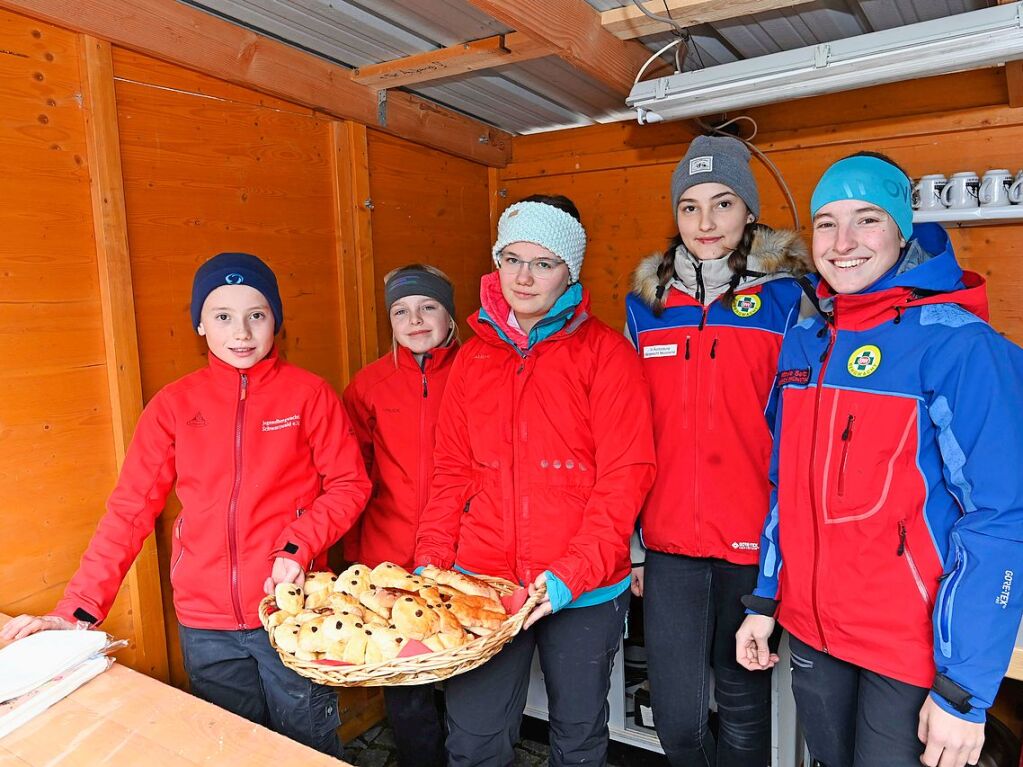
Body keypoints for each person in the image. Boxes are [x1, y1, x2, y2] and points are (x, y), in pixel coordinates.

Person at [0, 252, 371, 758]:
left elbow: (350, 483)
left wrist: (297, 545)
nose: (241, 332)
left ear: (276, 321)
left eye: (256, 315)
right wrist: (77, 613)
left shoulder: (309, 395)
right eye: (222, 316)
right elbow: (129, 511)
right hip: (205, 625)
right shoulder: (173, 407)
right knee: (229, 748)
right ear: (200, 322)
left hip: (289, 612)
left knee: (308, 747)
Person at [736, 153, 1023, 767]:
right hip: (814, 632)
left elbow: (1001, 518)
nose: (843, 244)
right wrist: (765, 600)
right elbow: (786, 486)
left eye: (866, 220)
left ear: (901, 230)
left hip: (909, 649)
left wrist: (963, 688)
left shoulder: (960, 345)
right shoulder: (808, 339)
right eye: (825, 223)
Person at [414, 194, 656, 767]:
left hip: (583, 588)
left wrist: (570, 574)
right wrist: (430, 560)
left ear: (569, 270)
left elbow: (626, 476)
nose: (523, 277)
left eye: (543, 263)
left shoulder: (607, 355)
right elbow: (451, 470)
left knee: (577, 736)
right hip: (484, 583)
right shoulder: (473, 359)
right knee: (472, 740)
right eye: (511, 259)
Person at [625, 135, 810, 766]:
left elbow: (800, 430)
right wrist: (634, 548)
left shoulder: (789, 301)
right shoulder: (646, 308)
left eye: (723, 204)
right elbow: (627, 434)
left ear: (750, 213)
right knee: (676, 724)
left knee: (741, 716)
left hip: (752, 543)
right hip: (670, 545)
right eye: (690, 207)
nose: (706, 223)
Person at [342, 264, 460, 767]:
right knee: (407, 684)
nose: (414, 320)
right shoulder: (369, 385)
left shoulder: (477, 369)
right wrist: (353, 558)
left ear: (450, 314)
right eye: (400, 311)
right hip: (387, 556)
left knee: (465, 677)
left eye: (427, 307)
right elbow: (352, 475)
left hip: (463, 552)